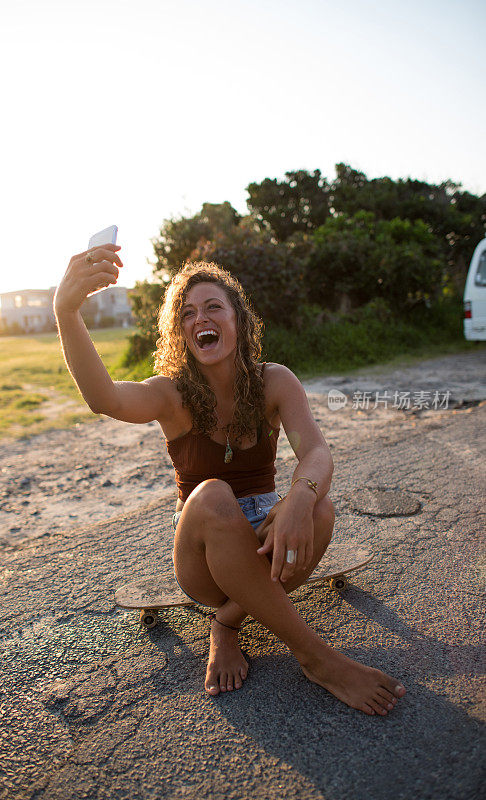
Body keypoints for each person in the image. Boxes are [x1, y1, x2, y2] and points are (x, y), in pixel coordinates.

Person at [54, 242, 406, 716]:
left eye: (214, 307)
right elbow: (106, 398)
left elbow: (316, 452)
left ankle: (227, 622)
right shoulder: (170, 395)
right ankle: (318, 658)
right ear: (180, 333)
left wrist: (300, 498)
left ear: (238, 322)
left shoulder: (274, 381)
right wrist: (66, 309)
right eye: (188, 313)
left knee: (320, 507)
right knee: (214, 493)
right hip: (202, 551)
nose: (201, 317)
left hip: (266, 538)